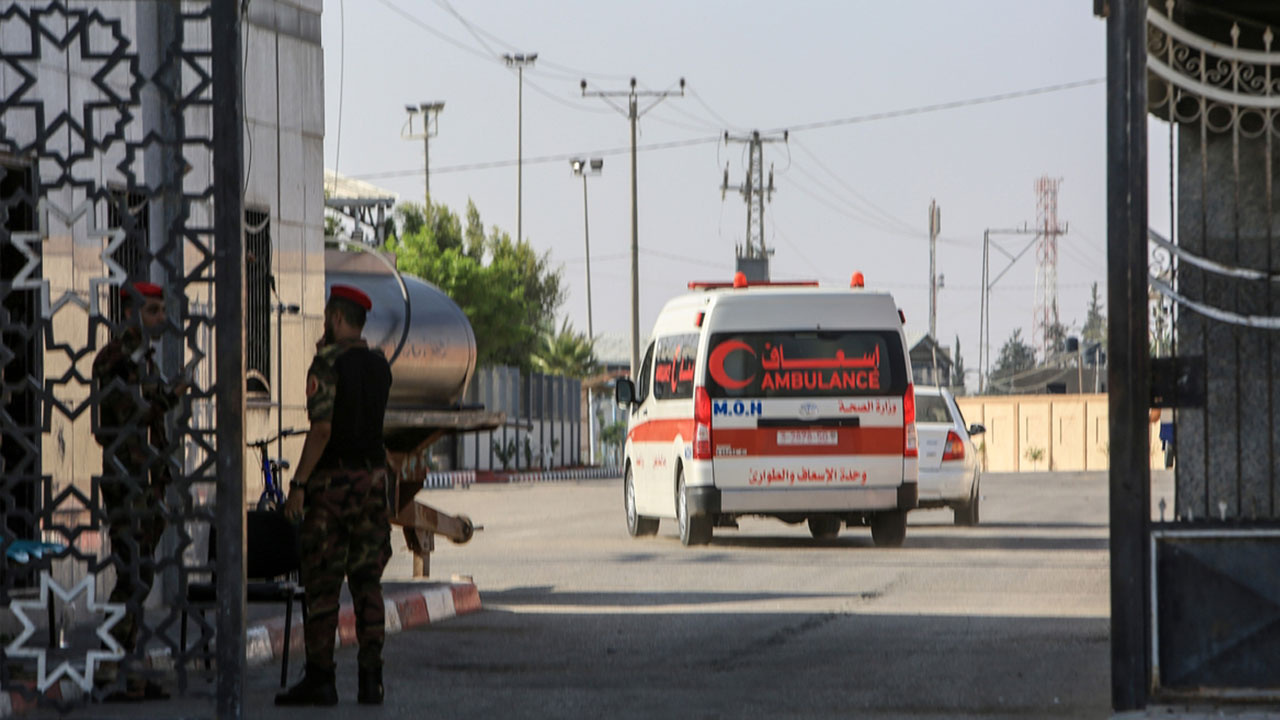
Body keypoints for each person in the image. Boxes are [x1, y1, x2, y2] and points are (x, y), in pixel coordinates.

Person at [276, 284, 393, 707]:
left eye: (328, 317)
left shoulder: (326, 364)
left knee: (323, 584)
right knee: (368, 583)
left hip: (333, 488)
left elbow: (322, 430)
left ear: (338, 319)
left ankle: (321, 679)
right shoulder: (380, 366)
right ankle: (371, 680)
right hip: (374, 485)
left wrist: (298, 485)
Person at [92, 281, 187, 701]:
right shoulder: (114, 360)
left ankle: (124, 667)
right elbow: (129, 413)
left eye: (161, 310)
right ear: (130, 313)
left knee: (142, 575)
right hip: (126, 482)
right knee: (133, 573)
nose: (160, 319)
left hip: (147, 483)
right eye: (152, 311)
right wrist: (168, 397)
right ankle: (108, 664)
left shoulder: (144, 359)